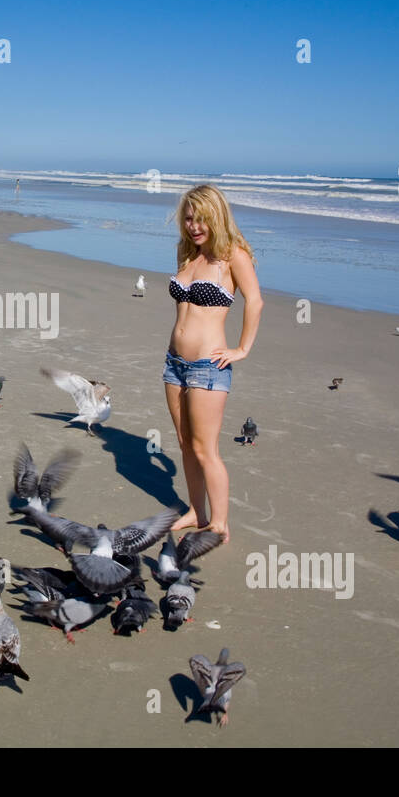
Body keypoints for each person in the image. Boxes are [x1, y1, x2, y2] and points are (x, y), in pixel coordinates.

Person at [162, 184, 262, 544]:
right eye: (188, 218)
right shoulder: (187, 254)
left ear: (217, 216)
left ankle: (219, 523)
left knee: (206, 449)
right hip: (174, 364)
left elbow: (255, 301)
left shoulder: (233, 255)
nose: (194, 225)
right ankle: (196, 512)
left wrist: (242, 349)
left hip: (208, 365)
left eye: (201, 218)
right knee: (186, 443)